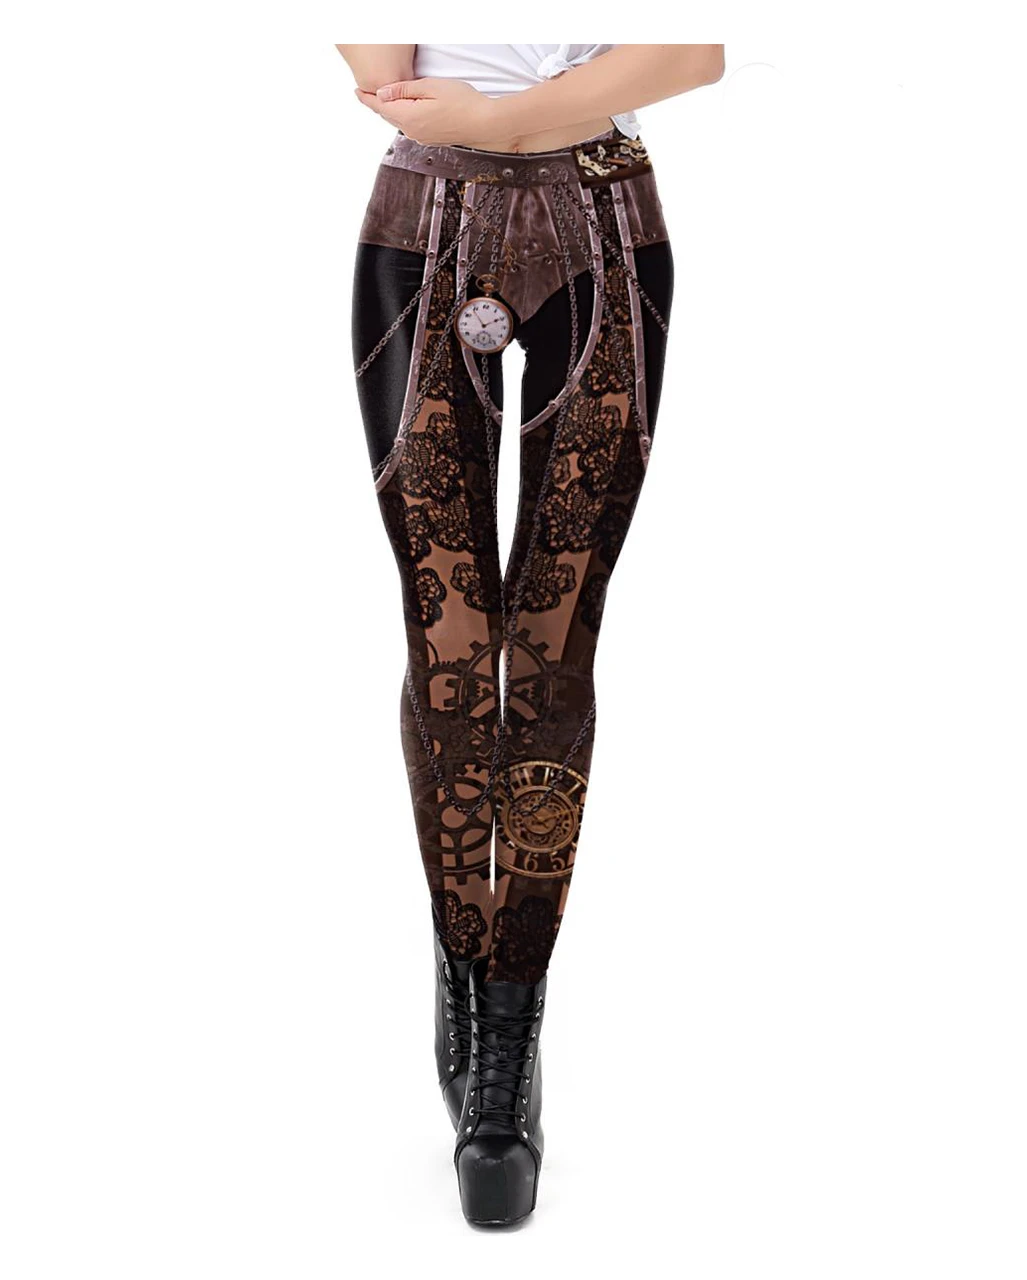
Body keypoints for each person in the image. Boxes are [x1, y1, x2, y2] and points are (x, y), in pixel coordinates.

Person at [337, 42, 724, 1226]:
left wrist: (501, 118)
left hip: (604, 225)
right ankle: (464, 962)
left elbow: (696, 50)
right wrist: (520, 115)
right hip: (423, 225)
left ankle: (508, 1034)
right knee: (450, 642)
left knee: (550, 650)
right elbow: (378, 74)